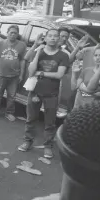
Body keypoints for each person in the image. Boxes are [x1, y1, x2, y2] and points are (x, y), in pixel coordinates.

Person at [18, 29, 69, 159]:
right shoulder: (38, 52)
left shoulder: (63, 56)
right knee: (31, 119)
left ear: (59, 39)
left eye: (55, 36)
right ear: (45, 38)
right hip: (35, 92)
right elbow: (31, 71)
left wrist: (41, 73)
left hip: (51, 94)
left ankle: (48, 146)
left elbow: (59, 75)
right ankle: (27, 141)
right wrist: (38, 50)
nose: (53, 38)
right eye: (50, 36)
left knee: (50, 122)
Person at [0, 25, 27, 122]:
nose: (13, 34)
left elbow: (22, 60)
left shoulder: (22, 45)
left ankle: (9, 113)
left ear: (17, 34)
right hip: (0, 74)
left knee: (12, 96)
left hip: (14, 75)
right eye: (11, 32)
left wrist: (21, 74)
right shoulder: (0, 43)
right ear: (7, 33)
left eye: (15, 33)